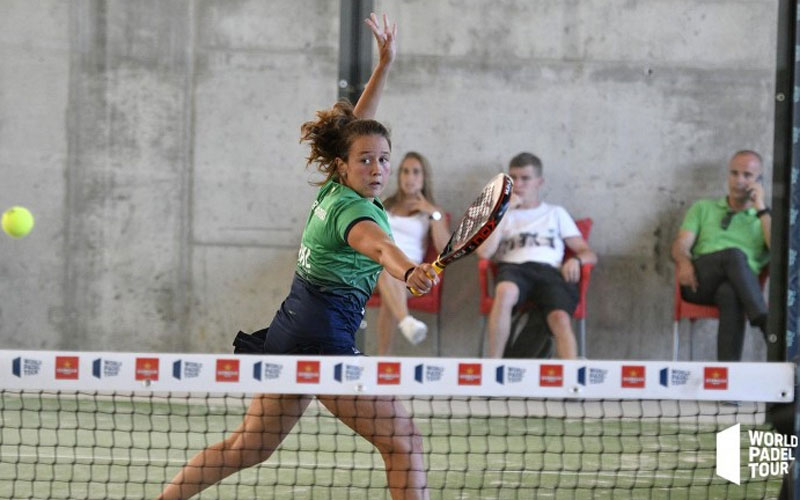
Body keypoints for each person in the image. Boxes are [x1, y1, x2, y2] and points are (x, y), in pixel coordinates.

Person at [156, 14, 435, 500]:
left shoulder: (336, 182)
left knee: (249, 446)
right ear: (344, 165)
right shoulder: (354, 215)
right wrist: (409, 270)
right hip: (323, 344)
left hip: (289, 332)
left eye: (383, 159)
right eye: (366, 160)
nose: (376, 167)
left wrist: (384, 64)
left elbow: (357, 127)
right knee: (404, 443)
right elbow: (380, 247)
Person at [476, 152, 597, 360]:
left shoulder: (555, 213)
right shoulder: (501, 215)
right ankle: (493, 365)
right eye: (513, 178)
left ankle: (572, 378)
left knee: (559, 318)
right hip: (514, 269)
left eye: (525, 178)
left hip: (549, 271)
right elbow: (484, 252)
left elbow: (588, 253)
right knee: (505, 291)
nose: (518, 184)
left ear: (539, 182)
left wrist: (577, 260)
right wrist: (503, 212)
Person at [671, 150, 771, 361]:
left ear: (759, 182)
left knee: (730, 293)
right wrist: (684, 262)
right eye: (734, 173)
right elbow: (681, 244)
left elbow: (778, 254)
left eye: (747, 175)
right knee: (733, 255)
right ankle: (766, 323)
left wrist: (760, 207)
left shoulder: (765, 219)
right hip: (700, 281)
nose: (739, 181)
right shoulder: (703, 208)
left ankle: (727, 379)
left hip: (740, 288)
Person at [375, 152, 449, 354]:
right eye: (405, 172)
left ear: (424, 177)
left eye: (416, 172)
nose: (409, 178)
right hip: (376, 265)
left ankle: (383, 358)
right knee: (385, 269)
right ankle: (406, 321)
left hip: (410, 272)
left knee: (391, 285)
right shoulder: (384, 204)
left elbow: (445, 249)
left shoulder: (434, 212)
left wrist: (431, 212)